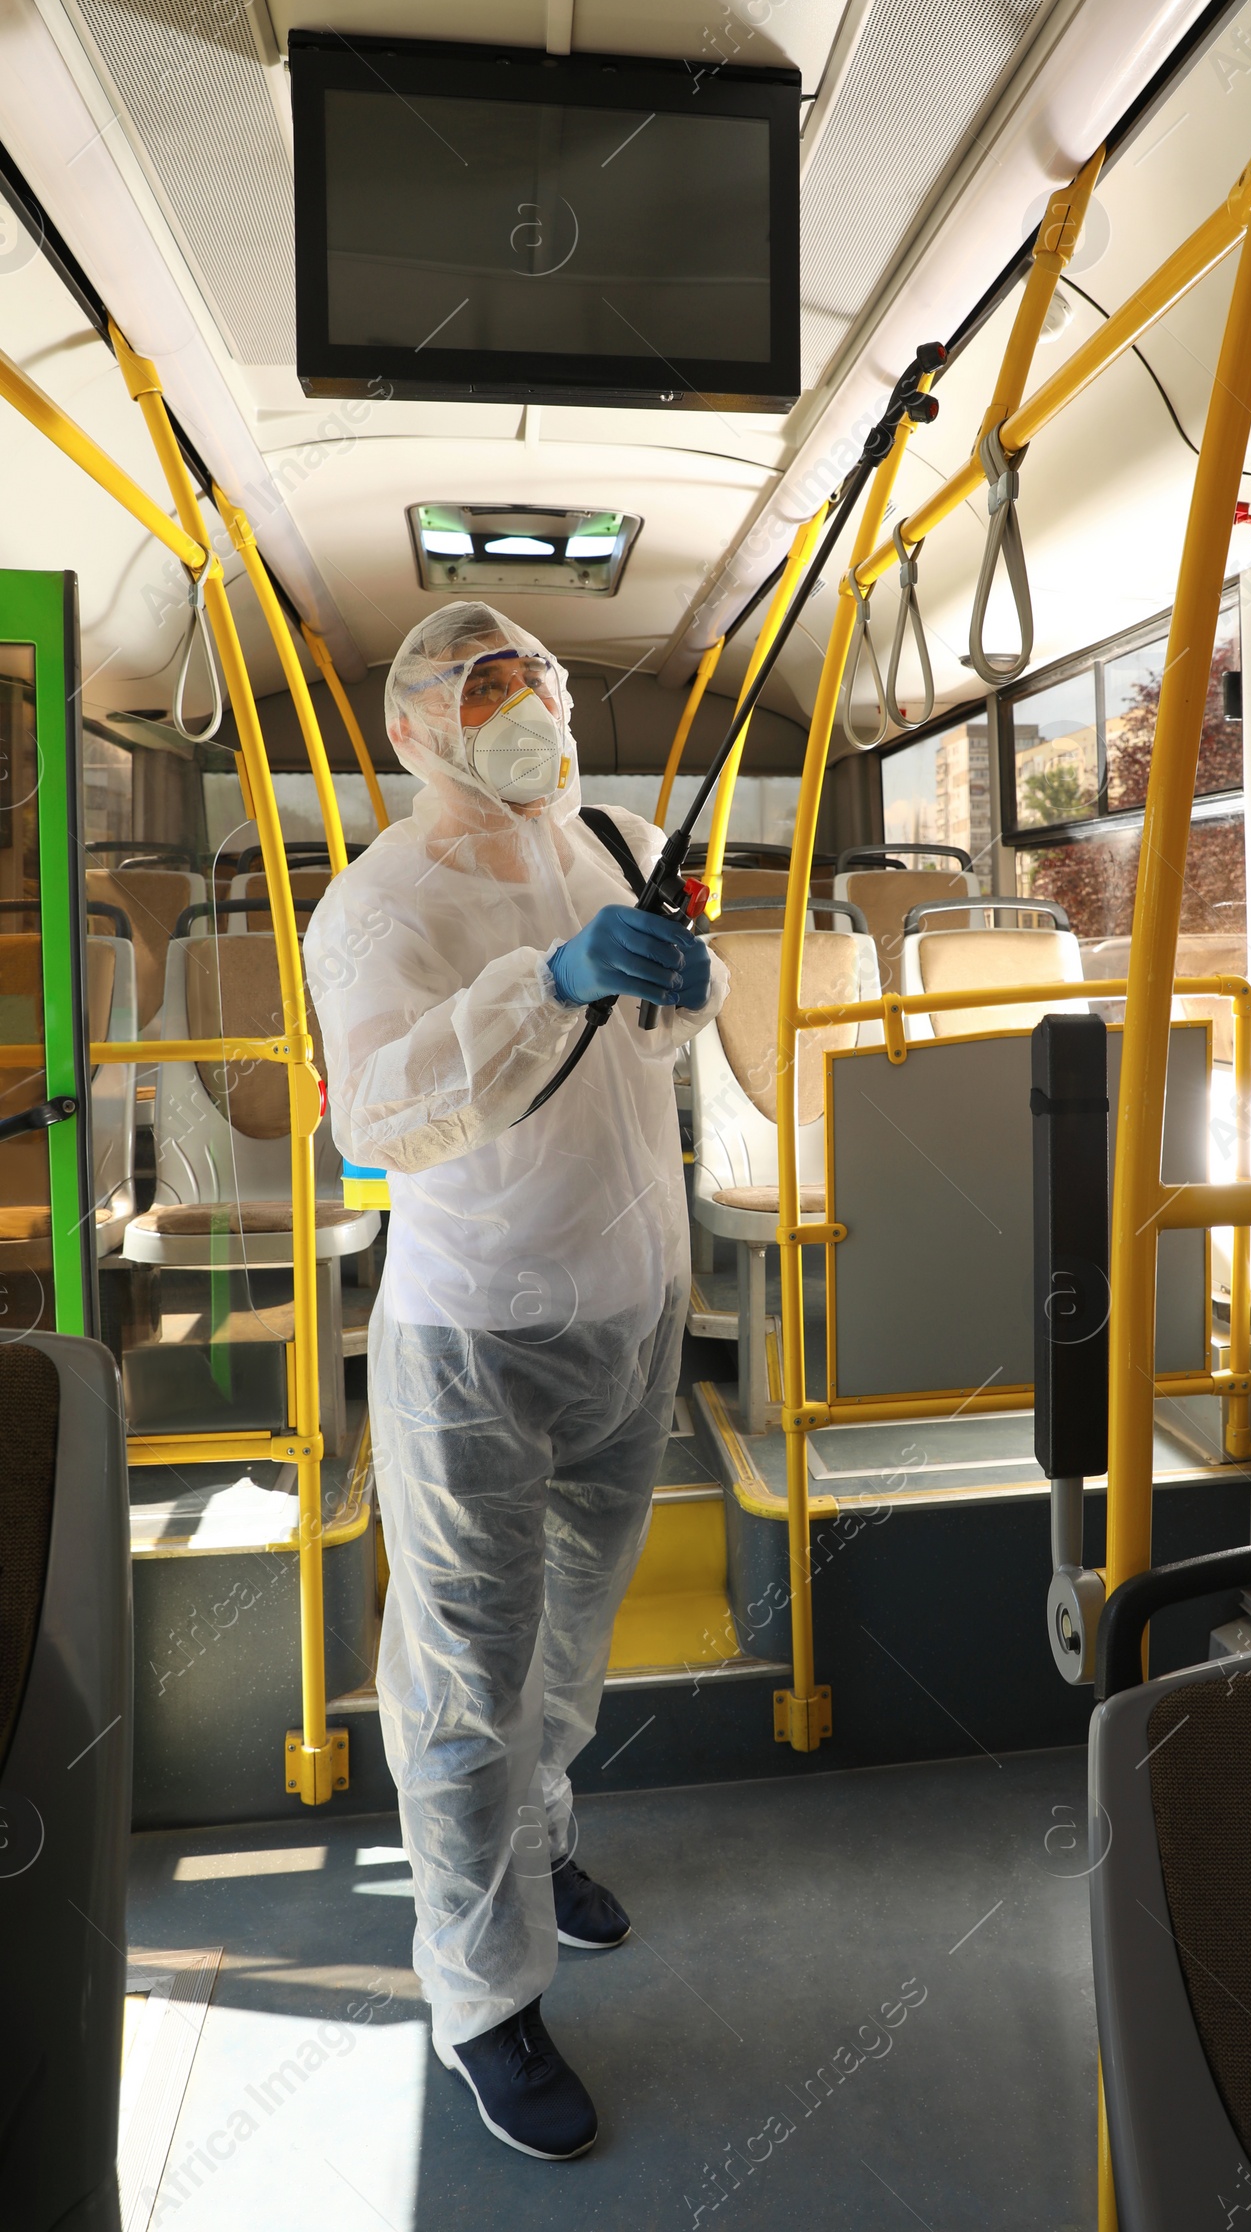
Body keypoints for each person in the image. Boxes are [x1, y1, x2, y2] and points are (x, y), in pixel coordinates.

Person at [304, 601, 726, 2162]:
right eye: (490, 689)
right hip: (478, 1334)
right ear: (419, 725)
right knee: (468, 1685)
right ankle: (482, 2001)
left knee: (573, 1636)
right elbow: (378, 1121)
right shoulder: (374, 906)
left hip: (635, 1302)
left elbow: (667, 1035)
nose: (530, 707)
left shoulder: (611, 836)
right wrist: (544, 977)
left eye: (541, 680)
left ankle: (544, 1844)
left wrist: (680, 978)